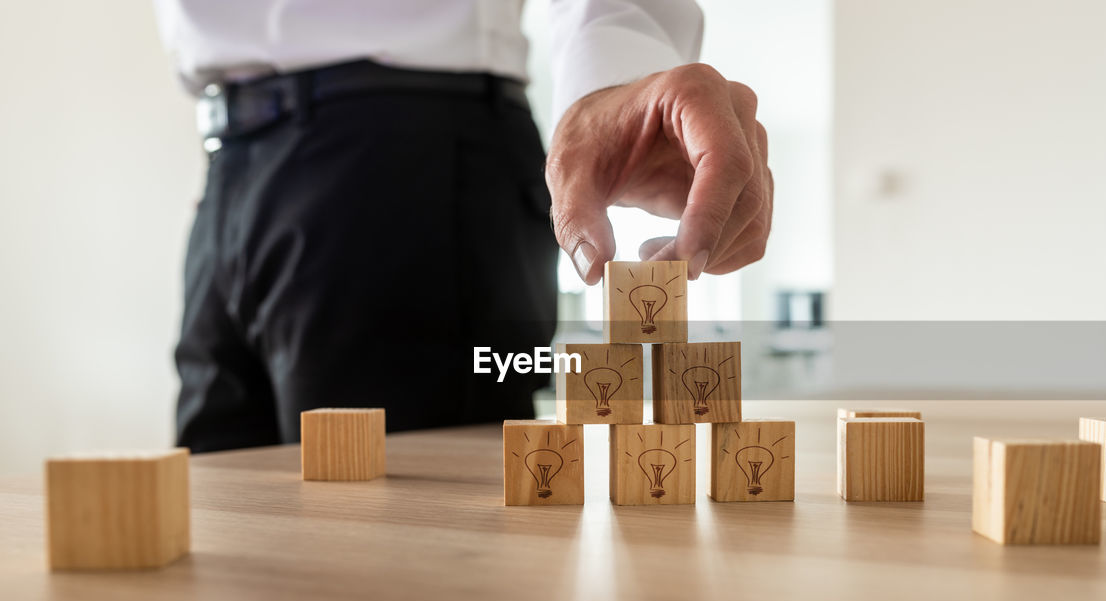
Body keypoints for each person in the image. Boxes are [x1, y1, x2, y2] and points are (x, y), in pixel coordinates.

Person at [155, 0, 773, 452]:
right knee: (217, 517)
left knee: (407, 569)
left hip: (404, 157)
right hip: (225, 162)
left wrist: (620, 63)